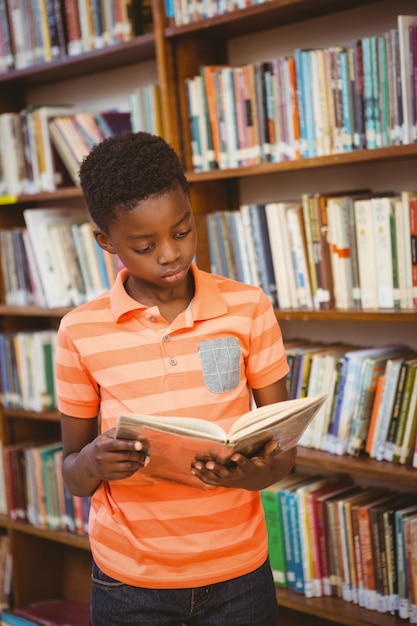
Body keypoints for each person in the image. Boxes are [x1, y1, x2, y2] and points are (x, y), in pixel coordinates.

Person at [55, 131, 297, 626]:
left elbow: (282, 450)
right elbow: (73, 475)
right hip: (129, 581)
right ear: (106, 241)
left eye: (182, 231)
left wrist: (255, 473)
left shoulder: (248, 308)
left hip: (239, 573)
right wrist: (97, 460)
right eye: (144, 245)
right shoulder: (79, 331)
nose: (169, 254)